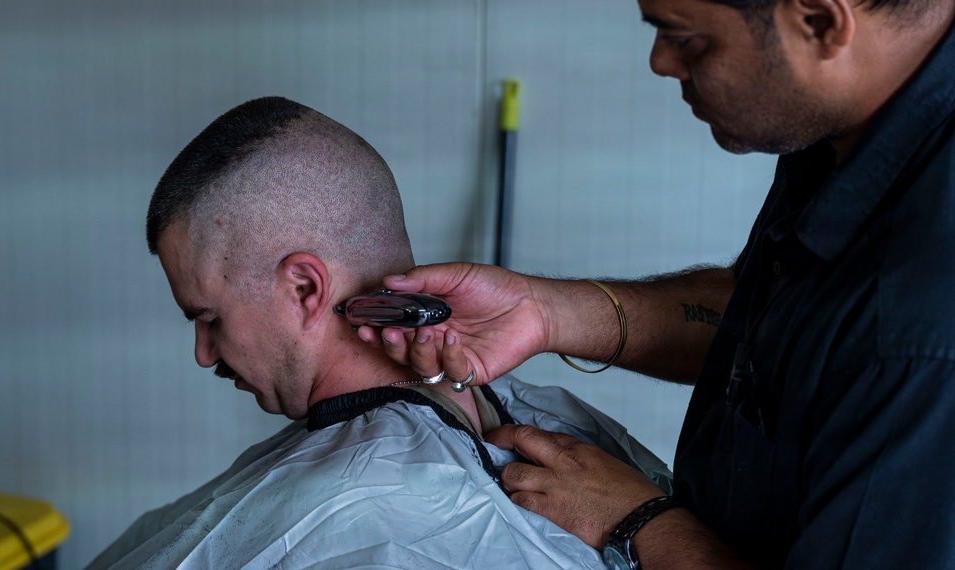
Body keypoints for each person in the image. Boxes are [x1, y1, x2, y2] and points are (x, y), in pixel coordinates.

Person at [360, 0, 955, 568]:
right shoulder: (848, 126)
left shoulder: (921, 322)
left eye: (688, 40)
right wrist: (547, 310)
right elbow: (790, 331)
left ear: (819, 19)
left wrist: (641, 520)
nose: (661, 63)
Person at [85, 96, 672, 569]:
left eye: (210, 318)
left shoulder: (372, 518)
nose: (202, 353)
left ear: (305, 290)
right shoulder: (544, 415)